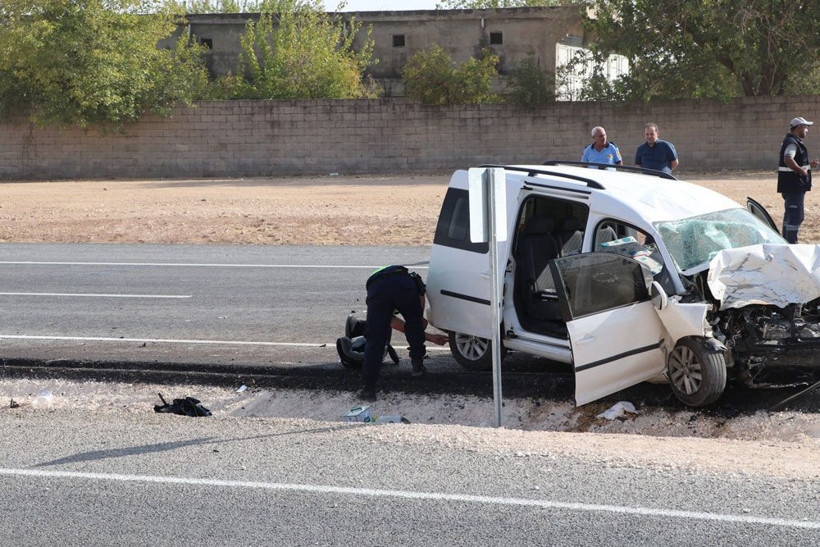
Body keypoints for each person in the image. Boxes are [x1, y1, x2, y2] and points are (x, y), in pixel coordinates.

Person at [358, 265, 448, 402]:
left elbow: (394, 323)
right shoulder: (411, 280)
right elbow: (415, 321)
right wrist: (420, 324)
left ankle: (368, 389)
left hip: (377, 288)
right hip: (403, 284)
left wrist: (421, 329)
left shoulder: (379, 292)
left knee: (375, 338)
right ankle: (417, 367)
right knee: (415, 322)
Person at [778, 117, 820, 243]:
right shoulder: (792, 142)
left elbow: (792, 162)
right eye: (806, 127)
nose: (807, 130)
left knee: (790, 216)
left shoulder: (791, 141)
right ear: (800, 127)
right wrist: (801, 171)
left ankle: (786, 243)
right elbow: (788, 159)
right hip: (794, 186)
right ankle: (791, 245)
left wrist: (808, 165)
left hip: (791, 186)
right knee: (796, 217)